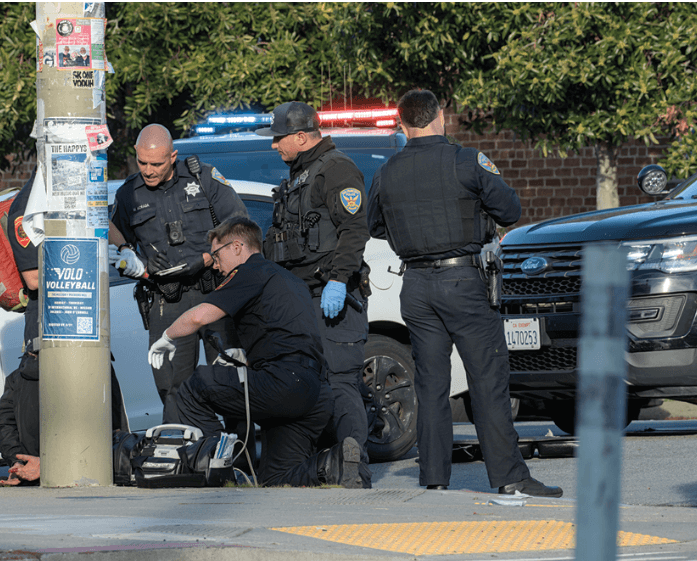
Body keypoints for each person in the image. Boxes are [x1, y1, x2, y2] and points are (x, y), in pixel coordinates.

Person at [366, 89, 562, 497]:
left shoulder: (387, 171)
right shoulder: (466, 160)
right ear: (440, 116)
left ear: (402, 124)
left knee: (431, 384)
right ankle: (509, 477)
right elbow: (510, 211)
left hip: (416, 285)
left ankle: (434, 477)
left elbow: (376, 225)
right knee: (488, 380)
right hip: (463, 282)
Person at [152, 216, 366, 488]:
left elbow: (199, 317)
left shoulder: (248, 272)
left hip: (283, 383)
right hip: (315, 391)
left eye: (217, 255)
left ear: (237, 246)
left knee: (197, 385)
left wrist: (167, 335)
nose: (215, 265)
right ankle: (334, 464)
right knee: (275, 479)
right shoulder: (290, 280)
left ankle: (218, 469)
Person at [255, 101, 372, 486]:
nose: (274, 146)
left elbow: (355, 230)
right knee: (312, 382)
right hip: (304, 298)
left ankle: (355, 466)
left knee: (340, 381)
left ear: (301, 137)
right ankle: (326, 464)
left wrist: (339, 279)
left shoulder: (335, 169)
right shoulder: (298, 176)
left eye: (278, 138)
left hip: (333, 295)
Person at [0, 170, 128, 486]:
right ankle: (32, 469)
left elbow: (100, 222)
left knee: (104, 413)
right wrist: (88, 266)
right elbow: (33, 277)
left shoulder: (75, 191)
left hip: (88, 325)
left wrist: (127, 250)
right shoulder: (29, 207)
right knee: (44, 420)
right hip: (51, 328)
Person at [108, 124, 248, 405]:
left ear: (173, 157)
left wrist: (209, 258)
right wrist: (128, 255)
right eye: (142, 162)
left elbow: (239, 225)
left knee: (230, 381)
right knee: (173, 389)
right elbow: (109, 230)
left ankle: (236, 447)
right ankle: (191, 447)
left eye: (157, 163)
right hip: (166, 299)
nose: (148, 170)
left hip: (213, 292)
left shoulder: (202, 177)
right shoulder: (129, 194)